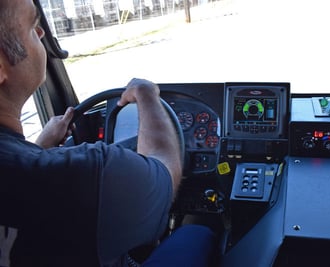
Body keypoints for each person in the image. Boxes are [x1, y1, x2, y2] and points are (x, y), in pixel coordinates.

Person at [0, 0, 216, 266]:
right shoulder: (87, 175)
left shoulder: (28, 171)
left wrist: (39, 147)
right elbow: (165, 170)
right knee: (197, 232)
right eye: (33, 27)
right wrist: (147, 96)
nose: (43, 33)